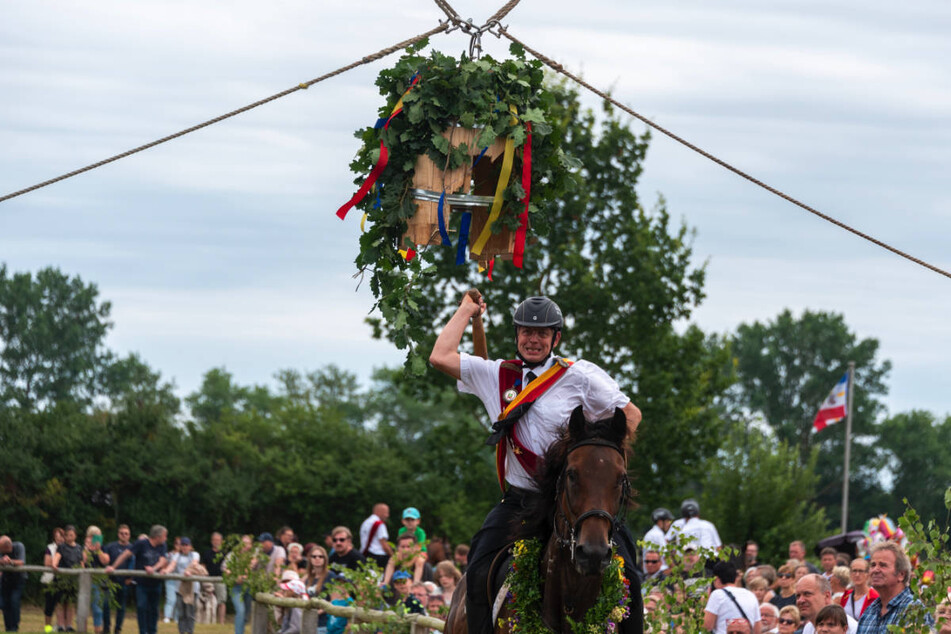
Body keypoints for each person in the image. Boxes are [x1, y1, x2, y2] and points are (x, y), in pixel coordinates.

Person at [429, 292, 642, 634]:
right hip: (522, 501)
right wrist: (467, 310)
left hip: (577, 499)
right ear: (516, 335)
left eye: (542, 333)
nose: (533, 339)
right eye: (526, 331)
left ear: (555, 338)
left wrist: (600, 460)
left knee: (629, 571)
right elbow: (440, 356)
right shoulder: (496, 375)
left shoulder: (580, 375)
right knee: (480, 566)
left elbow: (630, 414)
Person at [856, 541, 932, 632]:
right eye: (873, 565)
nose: (875, 570)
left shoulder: (914, 610)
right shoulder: (869, 612)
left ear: (901, 575)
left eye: (883, 565)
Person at [105, 525, 169, 634]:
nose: (166, 538)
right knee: (141, 608)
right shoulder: (142, 543)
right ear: (158, 536)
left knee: (153, 610)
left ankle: (152, 632)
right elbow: (125, 554)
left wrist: (153, 568)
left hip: (156, 584)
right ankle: (143, 632)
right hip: (142, 584)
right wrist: (113, 567)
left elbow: (163, 560)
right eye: (164, 536)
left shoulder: (162, 546)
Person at [703, 561, 761, 634]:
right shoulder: (750, 595)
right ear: (736, 578)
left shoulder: (717, 594)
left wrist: (703, 605)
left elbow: (706, 627)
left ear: (717, 579)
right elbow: (757, 630)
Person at [52, 525, 84, 632]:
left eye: (71, 535)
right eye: (67, 535)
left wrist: (83, 572)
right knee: (60, 602)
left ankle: (69, 625)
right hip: (61, 578)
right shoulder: (61, 547)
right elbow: (57, 557)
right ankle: (61, 625)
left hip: (73, 580)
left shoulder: (79, 548)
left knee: (70, 602)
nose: (69, 537)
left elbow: (81, 562)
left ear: (75, 535)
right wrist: (54, 564)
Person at [103, 525, 134, 634]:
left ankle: (118, 629)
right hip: (110, 580)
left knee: (121, 607)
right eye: (122, 533)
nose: (124, 535)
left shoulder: (132, 548)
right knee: (105, 605)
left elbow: (134, 564)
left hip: (124, 582)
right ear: (118, 534)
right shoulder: (110, 546)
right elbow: (106, 561)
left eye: (126, 533)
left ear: (129, 535)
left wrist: (130, 578)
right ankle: (106, 628)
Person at [221, 534, 255, 634]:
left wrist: (244, 574)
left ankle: (241, 629)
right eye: (243, 543)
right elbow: (224, 569)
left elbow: (251, 567)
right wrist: (235, 576)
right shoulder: (232, 555)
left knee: (246, 614)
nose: (246, 546)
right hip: (236, 587)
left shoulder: (253, 556)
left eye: (248, 543)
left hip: (249, 588)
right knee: (240, 611)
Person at [163, 537, 199, 623]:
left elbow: (194, 563)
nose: (185, 547)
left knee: (190, 612)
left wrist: (188, 571)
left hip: (192, 587)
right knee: (181, 611)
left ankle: (190, 631)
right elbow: (172, 565)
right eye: (183, 545)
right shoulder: (176, 556)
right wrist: (166, 571)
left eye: (186, 545)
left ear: (190, 546)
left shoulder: (195, 554)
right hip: (180, 587)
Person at [84, 526, 111, 634]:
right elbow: (82, 561)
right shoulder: (83, 548)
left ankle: (98, 630)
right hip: (85, 580)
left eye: (98, 536)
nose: (95, 539)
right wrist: (87, 549)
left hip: (98, 581)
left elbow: (105, 561)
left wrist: (98, 550)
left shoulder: (103, 548)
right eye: (93, 536)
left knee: (97, 609)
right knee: (83, 608)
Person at [42, 527, 67, 633]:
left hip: (64, 581)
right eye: (57, 537)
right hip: (50, 580)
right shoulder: (50, 548)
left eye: (61, 536)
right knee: (49, 605)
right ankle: (47, 628)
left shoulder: (68, 548)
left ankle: (61, 626)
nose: (59, 539)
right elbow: (47, 563)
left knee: (62, 604)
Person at [0, 535, 26, 632]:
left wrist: (10, 561)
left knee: (14, 601)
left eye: (1, 549)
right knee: (4, 604)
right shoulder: (1, 551)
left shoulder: (19, 546)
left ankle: (14, 627)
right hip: (5, 580)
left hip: (18, 580)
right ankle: (8, 627)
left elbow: (21, 562)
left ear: (7, 547)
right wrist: (2, 561)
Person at [200, 532, 228, 625]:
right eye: (214, 540)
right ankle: (207, 621)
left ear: (221, 541)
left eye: (218, 540)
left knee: (221, 601)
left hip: (220, 579)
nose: (216, 542)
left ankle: (221, 622)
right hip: (208, 579)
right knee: (207, 601)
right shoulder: (207, 553)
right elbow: (203, 566)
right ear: (211, 541)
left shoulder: (225, 554)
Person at [359, 504, 392, 569]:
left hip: (366, 555)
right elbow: (384, 544)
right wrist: (392, 556)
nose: (387, 515)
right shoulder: (379, 524)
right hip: (379, 557)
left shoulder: (365, 522)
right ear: (379, 511)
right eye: (386, 513)